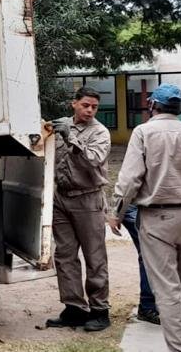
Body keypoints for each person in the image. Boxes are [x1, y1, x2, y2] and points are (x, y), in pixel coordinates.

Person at [109, 83, 181, 352]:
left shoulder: (144, 132)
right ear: (178, 109)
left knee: (168, 290)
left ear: (152, 106)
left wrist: (116, 212)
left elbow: (130, 178)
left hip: (157, 219)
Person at [46, 86, 112, 331]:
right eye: (85, 105)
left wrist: (70, 139)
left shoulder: (100, 132)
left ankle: (100, 310)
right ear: (74, 103)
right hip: (61, 198)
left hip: (88, 199)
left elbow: (93, 160)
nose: (90, 110)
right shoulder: (62, 124)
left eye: (94, 107)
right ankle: (74, 308)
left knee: (95, 257)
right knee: (64, 256)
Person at [120, 204, 160, 324]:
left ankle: (150, 305)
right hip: (136, 208)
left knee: (153, 255)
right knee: (149, 255)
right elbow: (126, 187)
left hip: (156, 210)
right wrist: (115, 212)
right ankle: (147, 307)